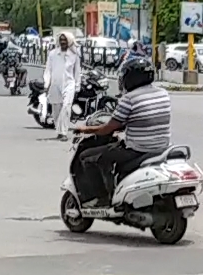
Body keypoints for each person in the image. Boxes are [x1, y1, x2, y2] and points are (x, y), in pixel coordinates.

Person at [72, 59, 171, 208]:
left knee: (88, 157)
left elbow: (108, 128)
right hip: (162, 147)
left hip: (137, 149)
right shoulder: (163, 94)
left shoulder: (129, 99)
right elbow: (145, 118)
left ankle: (102, 197)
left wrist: (85, 129)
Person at [44, 32, 82, 141]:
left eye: (65, 40)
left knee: (66, 107)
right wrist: (47, 83)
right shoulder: (53, 54)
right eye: (61, 40)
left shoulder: (74, 55)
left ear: (69, 41)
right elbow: (48, 70)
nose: (63, 42)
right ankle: (59, 131)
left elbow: (77, 72)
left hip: (69, 84)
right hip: (55, 84)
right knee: (56, 109)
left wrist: (77, 86)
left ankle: (64, 132)